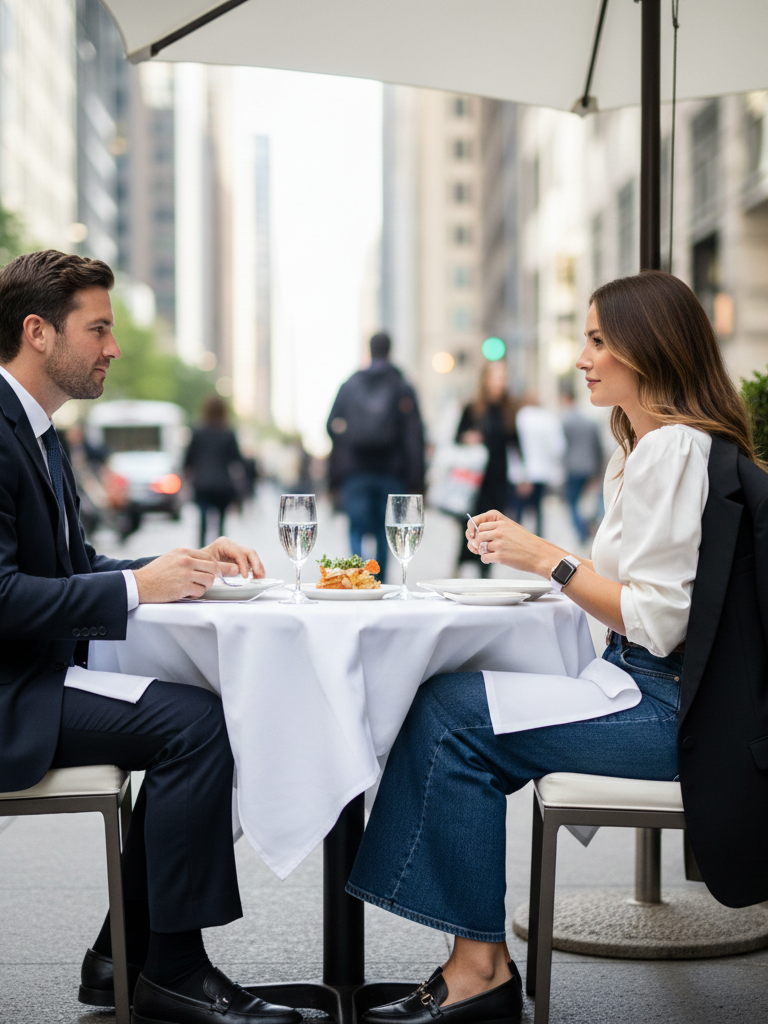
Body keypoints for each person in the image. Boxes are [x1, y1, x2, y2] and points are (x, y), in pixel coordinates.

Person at [344, 271, 768, 1024]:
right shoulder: (646, 449)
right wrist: (554, 571)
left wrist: (548, 560)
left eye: (599, 340)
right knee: (451, 699)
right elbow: (649, 592)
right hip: (655, 691)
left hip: (674, 715)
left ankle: (479, 972)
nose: (583, 358)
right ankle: (476, 963)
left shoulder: (671, 449)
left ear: (650, 347)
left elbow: (657, 621)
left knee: (450, 715)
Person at [0, 250, 301, 1024]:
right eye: (97, 329)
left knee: (199, 708)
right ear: (37, 332)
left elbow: (75, 568)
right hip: (12, 692)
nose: (113, 347)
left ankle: (117, 957)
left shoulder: (37, 430)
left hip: (34, 673)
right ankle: (171, 969)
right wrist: (138, 588)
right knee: (196, 725)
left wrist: (183, 567)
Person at [327, 331, 424, 578]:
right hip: (392, 470)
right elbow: (414, 435)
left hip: (355, 470)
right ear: (390, 351)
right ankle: (378, 580)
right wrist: (417, 478)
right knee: (386, 530)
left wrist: (347, 442)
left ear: (369, 350)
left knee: (356, 527)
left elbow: (331, 425)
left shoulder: (350, 384)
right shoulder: (402, 385)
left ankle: (357, 577)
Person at [455, 361, 519, 577]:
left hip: (499, 478)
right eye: (496, 377)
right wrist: (468, 438)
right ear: (485, 379)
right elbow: (457, 437)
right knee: (472, 526)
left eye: (503, 377)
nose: (500, 382)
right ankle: (461, 566)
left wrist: (523, 475)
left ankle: (485, 573)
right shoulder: (472, 408)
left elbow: (515, 444)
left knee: (493, 527)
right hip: (476, 480)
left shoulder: (509, 409)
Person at [184, 394, 247, 548]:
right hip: (222, 485)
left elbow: (188, 460)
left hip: (202, 484)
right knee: (221, 525)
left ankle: (200, 556)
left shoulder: (197, 431)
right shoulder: (228, 433)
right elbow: (237, 460)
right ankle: (220, 555)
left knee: (203, 523)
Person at [511, 393, 566, 538]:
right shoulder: (548, 418)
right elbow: (558, 448)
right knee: (538, 511)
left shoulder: (519, 417)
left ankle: (515, 539)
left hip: (521, 472)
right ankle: (538, 540)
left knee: (518, 510)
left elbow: (513, 448)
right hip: (542, 471)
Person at [559, 382, 604, 543]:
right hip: (590, 468)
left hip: (573, 468)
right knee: (587, 502)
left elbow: (560, 448)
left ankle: (582, 532)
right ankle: (586, 528)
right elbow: (598, 448)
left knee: (572, 503)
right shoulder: (590, 421)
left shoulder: (565, 421)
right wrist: (598, 472)